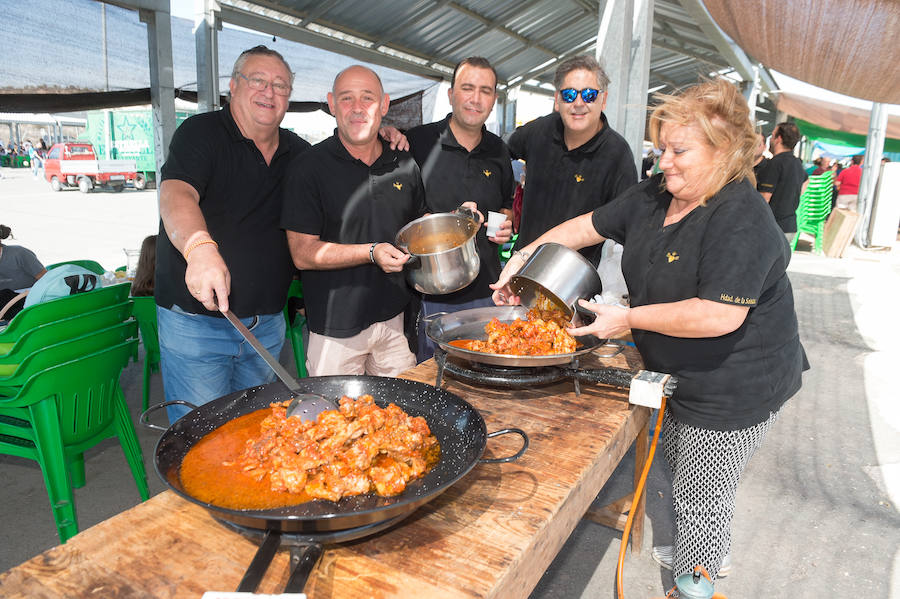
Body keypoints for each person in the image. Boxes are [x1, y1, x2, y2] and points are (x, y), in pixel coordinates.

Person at [491, 79, 807, 584]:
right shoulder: (657, 193)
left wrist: (627, 320)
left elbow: (718, 315)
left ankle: (695, 581)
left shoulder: (743, 217)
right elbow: (583, 226)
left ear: (724, 150)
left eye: (680, 151)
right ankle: (690, 552)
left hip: (735, 380)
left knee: (703, 491)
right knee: (676, 465)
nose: (664, 163)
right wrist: (523, 261)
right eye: (661, 150)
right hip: (676, 364)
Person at [155, 45, 312, 423]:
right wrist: (200, 248)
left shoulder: (299, 152)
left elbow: (344, 168)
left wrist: (380, 135)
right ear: (233, 86)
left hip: (267, 326)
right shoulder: (201, 132)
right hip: (197, 326)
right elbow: (176, 193)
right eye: (258, 80)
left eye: (280, 85)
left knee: (257, 432)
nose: (269, 91)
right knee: (201, 440)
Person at [281, 65, 425, 377]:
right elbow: (302, 253)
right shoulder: (308, 168)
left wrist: (454, 222)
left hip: (393, 322)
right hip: (335, 332)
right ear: (331, 104)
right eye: (347, 99)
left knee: (402, 419)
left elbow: (418, 224)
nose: (358, 109)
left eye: (368, 99)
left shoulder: (403, 162)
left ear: (384, 105)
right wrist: (370, 252)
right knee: (336, 421)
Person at [405, 56, 514, 361]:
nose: (475, 99)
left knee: (483, 376)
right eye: (467, 88)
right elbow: (398, 210)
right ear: (451, 93)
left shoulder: (499, 150)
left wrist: (504, 226)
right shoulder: (417, 142)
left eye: (485, 90)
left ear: (493, 100)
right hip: (433, 292)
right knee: (434, 378)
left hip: (488, 292)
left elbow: (506, 207)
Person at [506, 54, 637, 264]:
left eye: (589, 94)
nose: (578, 103)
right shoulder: (540, 131)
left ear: (603, 100)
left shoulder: (617, 154)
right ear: (557, 100)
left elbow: (627, 223)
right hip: (522, 263)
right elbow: (498, 155)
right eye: (569, 95)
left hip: (573, 279)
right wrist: (504, 206)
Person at [757, 122, 808, 243]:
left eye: (773, 135)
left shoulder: (774, 164)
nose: (771, 139)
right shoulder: (797, 164)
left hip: (772, 227)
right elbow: (806, 183)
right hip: (790, 227)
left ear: (778, 139)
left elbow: (764, 199)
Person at [0, 224, 46, 321]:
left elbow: (47, 280)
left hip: (31, 298)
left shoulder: (18, 254)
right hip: (6, 301)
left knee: (4, 295)